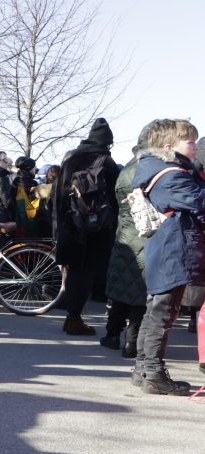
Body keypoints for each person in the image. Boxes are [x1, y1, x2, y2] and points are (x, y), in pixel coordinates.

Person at [130, 119, 205, 395]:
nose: (195, 148)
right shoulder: (172, 175)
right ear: (169, 146)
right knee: (164, 313)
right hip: (173, 249)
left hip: (167, 247)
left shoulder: (159, 169)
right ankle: (154, 373)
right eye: (190, 142)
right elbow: (200, 200)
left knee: (156, 311)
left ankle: (143, 369)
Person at [51, 118, 119, 336]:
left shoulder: (70, 160)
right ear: (107, 142)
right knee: (87, 273)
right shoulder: (106, 162)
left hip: (70, 226)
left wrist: (58, 228)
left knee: (74, 272)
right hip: (96, 229)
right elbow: (115, 200)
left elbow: (57, 198)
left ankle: (72, 316)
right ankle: (74, 319)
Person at [100, 122, 159, 357]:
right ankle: (132, 342)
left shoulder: (127, 168)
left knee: (119, 289)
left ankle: (112, 334)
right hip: (145, 234)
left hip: (124, 233)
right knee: (139, 294)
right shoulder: (150, 168)